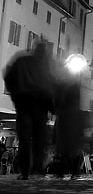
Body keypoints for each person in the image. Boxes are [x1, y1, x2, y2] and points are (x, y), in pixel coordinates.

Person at [3, 42, 57, 179]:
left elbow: (8, 76)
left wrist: (15, 96)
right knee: (39, 139)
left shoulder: (22, 61)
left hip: (24, 105)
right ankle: (37, 169)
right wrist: (53, 107)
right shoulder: (48, 68)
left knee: (25, 139)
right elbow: (54, 88)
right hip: (40, 107)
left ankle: (26, 170)